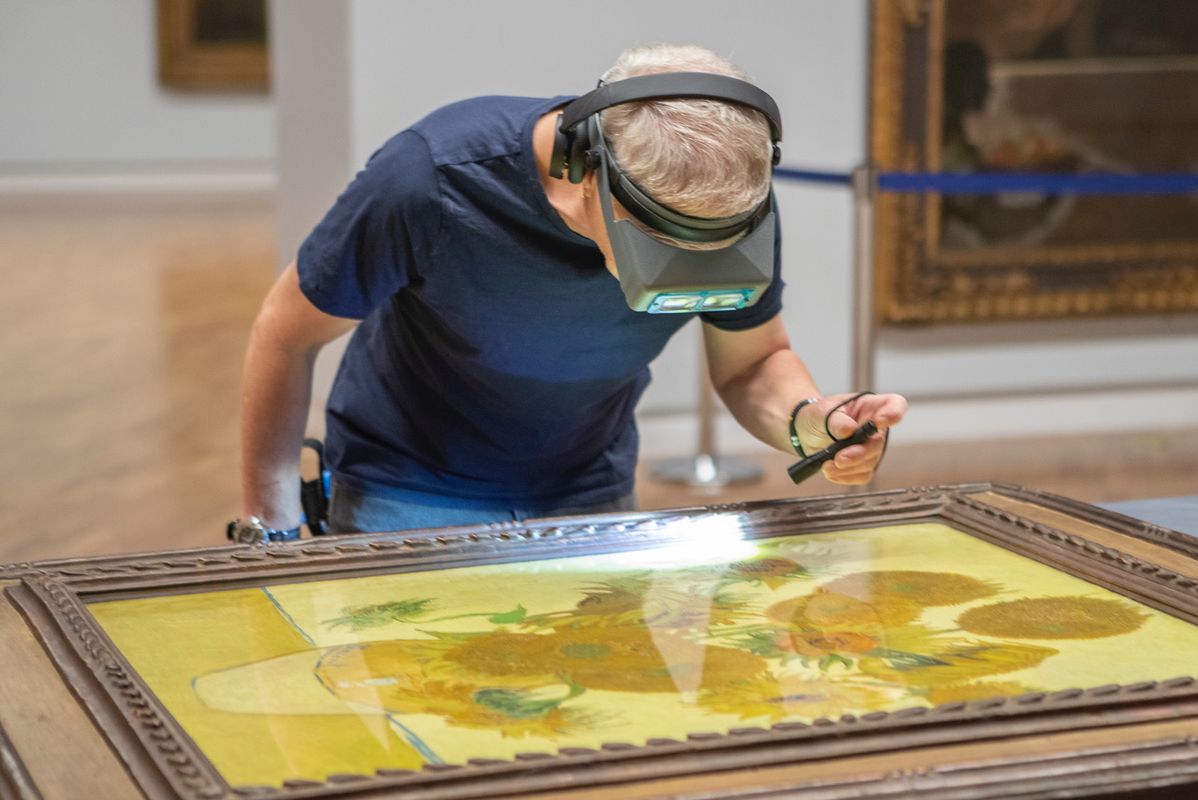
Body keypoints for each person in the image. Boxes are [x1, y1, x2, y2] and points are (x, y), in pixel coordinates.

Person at [234, 44, 908, 541]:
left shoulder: (730, 211)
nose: (689, 266)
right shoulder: (432, 179)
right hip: (408, 492)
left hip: (590, 491)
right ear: (585, 171)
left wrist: (813, 425)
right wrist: (272, 530)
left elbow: (752, 363)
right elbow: (285, 335)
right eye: (662, 246)